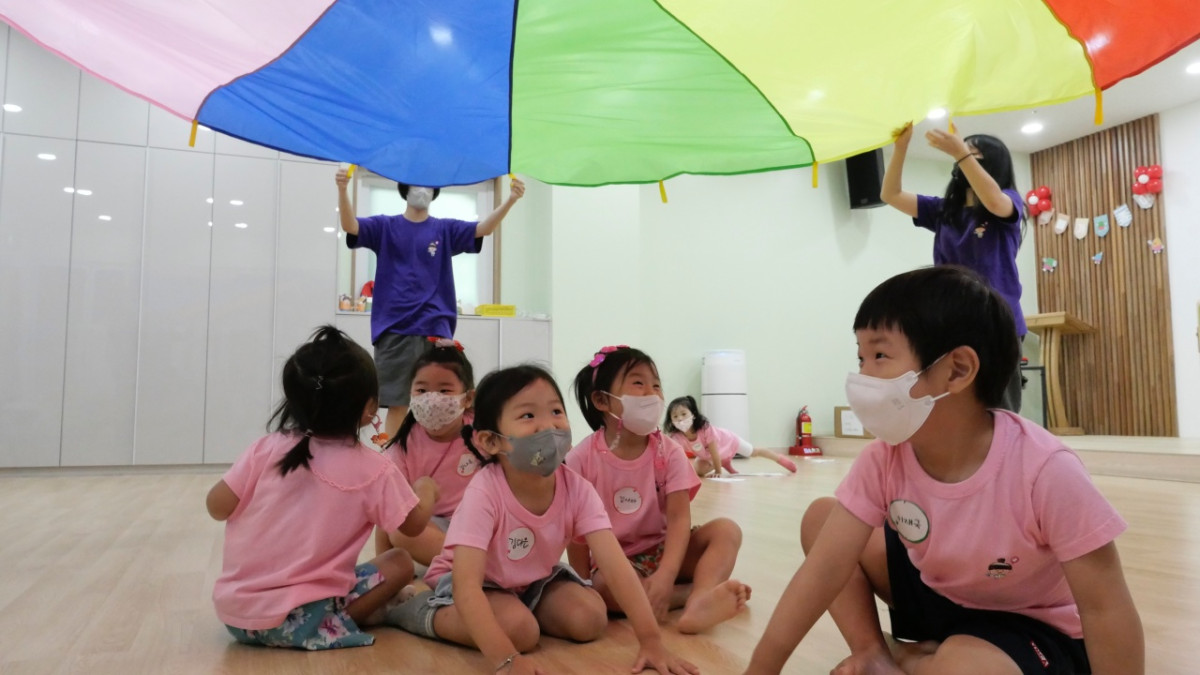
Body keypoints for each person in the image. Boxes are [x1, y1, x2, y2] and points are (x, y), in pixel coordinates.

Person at [744, 266, 1142, 675]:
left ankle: (913, 657)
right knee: (822, 519)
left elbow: (1106, 608)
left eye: (879, 356)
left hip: (1028, 624)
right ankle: (874, 653)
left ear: (957, 370)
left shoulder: (1046, 469)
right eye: (860, 357)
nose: (863, 376)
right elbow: (822, 573)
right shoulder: (883, 458)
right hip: (939, 596)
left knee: (964, 667)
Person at [386, 365, 698, 675]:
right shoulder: (484, 492)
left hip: (534, 578)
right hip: (476, 581)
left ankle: (517, 610)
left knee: (589, 619)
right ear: (491, 441)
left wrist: (651, 641)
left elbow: (616, 567)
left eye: (556, 411)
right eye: (528, 415)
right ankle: (413, 609)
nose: (548, 426)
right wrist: (506, 660)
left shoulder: (576, 488)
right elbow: (466, 586)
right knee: (519, 632)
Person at [206, 325, 439, 651]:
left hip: (239, 618)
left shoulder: (266, 449)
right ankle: (349, 617)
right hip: (303, 621)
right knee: (399, 561)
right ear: (370, 408)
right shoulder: (374, 468)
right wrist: (426, 490)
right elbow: (412, 526)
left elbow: (216, 506)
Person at [567, 346, 750, 634]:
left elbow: (679, 519)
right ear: (602, 400)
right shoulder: (581, 459)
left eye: (656, 385)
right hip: (619, 562)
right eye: (638, 383)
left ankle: (700, 601)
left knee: (727, 530)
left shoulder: (669, 451)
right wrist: (583, 585)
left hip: (667, 550)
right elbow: (576, 535)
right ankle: (686, 594)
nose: (652, 393)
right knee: (603, 588)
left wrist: (666, 573)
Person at [335, 169, 525, 441]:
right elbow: (351, 226)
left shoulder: (444, 229)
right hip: (395, 328)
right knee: (399, 402)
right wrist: (343, 189)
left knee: (440, 404)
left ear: (435, 191)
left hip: (436, 329)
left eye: (428, 184)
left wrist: (511, 200)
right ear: (404, 189)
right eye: (416, 183)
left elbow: (483, 228)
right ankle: (395, 460)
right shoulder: (385, 226)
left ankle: (432, 456)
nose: (422, 189)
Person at [880, 122, 1027, 412]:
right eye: (961, 156)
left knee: (999, 404)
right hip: (951, 317)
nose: (963, 162)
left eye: (974, 156)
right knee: (953, 399)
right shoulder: (943, 210)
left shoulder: (1009, 201)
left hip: (996, 320)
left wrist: (960, 152)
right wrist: (900, 148)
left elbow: (994, 201)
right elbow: (891, 195)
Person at [375, 338, 478, 566]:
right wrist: (382, 567)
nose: (432, 399)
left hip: (479, 527)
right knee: (399, 529)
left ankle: (473, 565)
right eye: (422, 390)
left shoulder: (481, 433)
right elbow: (387, 508)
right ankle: (475, 566)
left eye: (444, 390)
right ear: (410, 394)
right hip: (433, 528)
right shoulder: (404, 443)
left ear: (468, 398)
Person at [664, 395, 797, 476]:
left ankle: (780, 459)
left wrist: (718, 471)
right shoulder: (676, 437)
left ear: (693, 414)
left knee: (754, 452)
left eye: (683, 414)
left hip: (728, 441)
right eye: (675, 416)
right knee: (699, 470)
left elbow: (715, 452)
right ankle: (724, 462)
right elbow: (673, 455)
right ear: (671, 420)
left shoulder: (704, 428)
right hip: (709, 456)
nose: (680, 419)